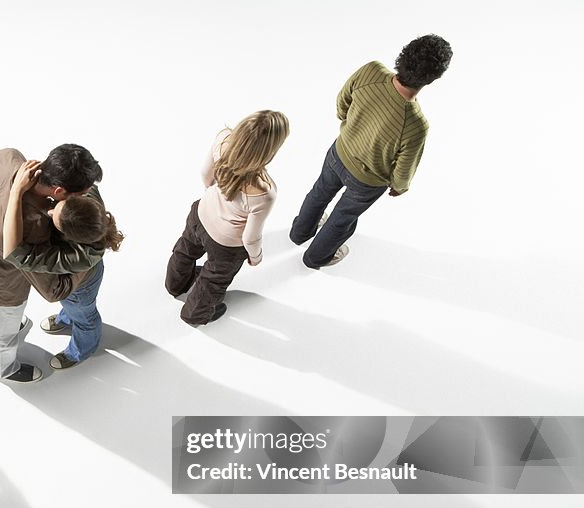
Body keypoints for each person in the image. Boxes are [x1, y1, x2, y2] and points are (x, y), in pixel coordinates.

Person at [290, 34, 453, 268]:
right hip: (367, 182)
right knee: (342, 219)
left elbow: (342, 102)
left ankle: (299, 234)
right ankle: (316, 257)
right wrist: (399, 187)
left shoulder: (371, 71)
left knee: (319, 193)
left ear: (404, 53)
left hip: (338, 153)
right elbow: (404, 168)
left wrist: (349, 125)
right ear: (432, 79)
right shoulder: (416, 123)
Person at [0, 143, 104, 382]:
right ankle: (2, 369)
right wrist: (88, 264)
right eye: (80, 194)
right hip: (3, 289)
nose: (85, 197)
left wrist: (16, 191)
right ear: (59, 191)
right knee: (1, 337)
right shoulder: (31, 226)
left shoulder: (7, 157)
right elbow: (52, 290)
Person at [165, 110, 290, 325]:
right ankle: (195, 314)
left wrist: (216, 194)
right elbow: (250, 237)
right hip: (226, 244)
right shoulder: (264, 192)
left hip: (200, 213)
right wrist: (255, 256)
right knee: (213, 280)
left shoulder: (223, 138)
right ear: (269, 150)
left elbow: (205, 175)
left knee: (185, 249)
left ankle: (175, 284)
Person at [3, 159, 123, 369]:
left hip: (82, 285)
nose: (49, 211)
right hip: (84, 279)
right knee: (72, 307)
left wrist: (16, 193)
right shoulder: (88, 198)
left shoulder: (78, 257)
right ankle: (67, 319)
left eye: (54, 218)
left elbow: (20, 256)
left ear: (70, 236)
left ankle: (82, 349)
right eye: (56, 206)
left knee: (84, 315)